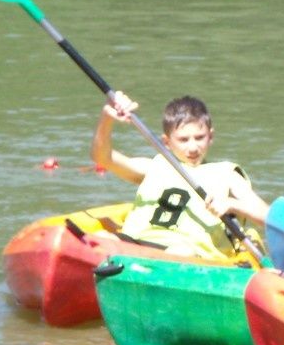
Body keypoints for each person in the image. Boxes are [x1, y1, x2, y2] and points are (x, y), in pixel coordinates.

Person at [92, 91, 269, 260]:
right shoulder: (155, 166)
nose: (193, 147)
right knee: (101, 238)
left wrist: (232, 204)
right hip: (137, 244)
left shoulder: (226, 174)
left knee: (182, 252)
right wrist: (107, 117)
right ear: (166, 142)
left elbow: (268, 217)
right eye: (183, 140)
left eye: (199, 137)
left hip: (188, 255)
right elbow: (102, 158)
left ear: (211, 136)